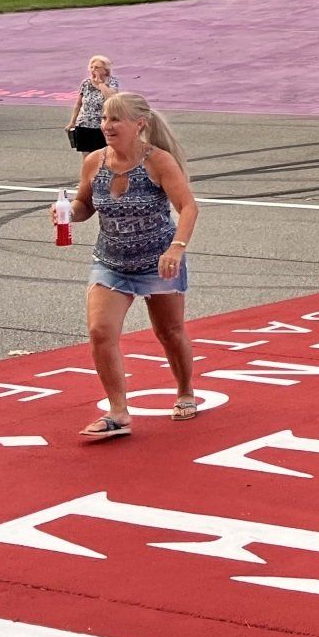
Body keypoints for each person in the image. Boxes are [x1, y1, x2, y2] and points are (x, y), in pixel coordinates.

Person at [68, 91, 199, 440]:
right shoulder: (94, 161)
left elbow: (188, 207)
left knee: (169, 333)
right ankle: (118, 412)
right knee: (100, 332)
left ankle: (185, 390)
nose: (106, 126)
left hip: (158, 263)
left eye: (115, 119)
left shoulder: (159, 161)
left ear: (138, 124)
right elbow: (84, 206)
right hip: (111, 262)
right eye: (104, 119)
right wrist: (66, 213)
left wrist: (176, 249)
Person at [64, 54, 119, 153]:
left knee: (104, 156)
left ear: (105, 70)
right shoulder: (86, 83)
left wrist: (100, 84)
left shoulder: (112, 82)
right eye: (91, 67)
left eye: (97, 68)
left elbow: (112, 98)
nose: (93, 70)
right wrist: (72, 122)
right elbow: (78, 104)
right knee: (87, 157)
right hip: (84, 124)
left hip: (102, 126)